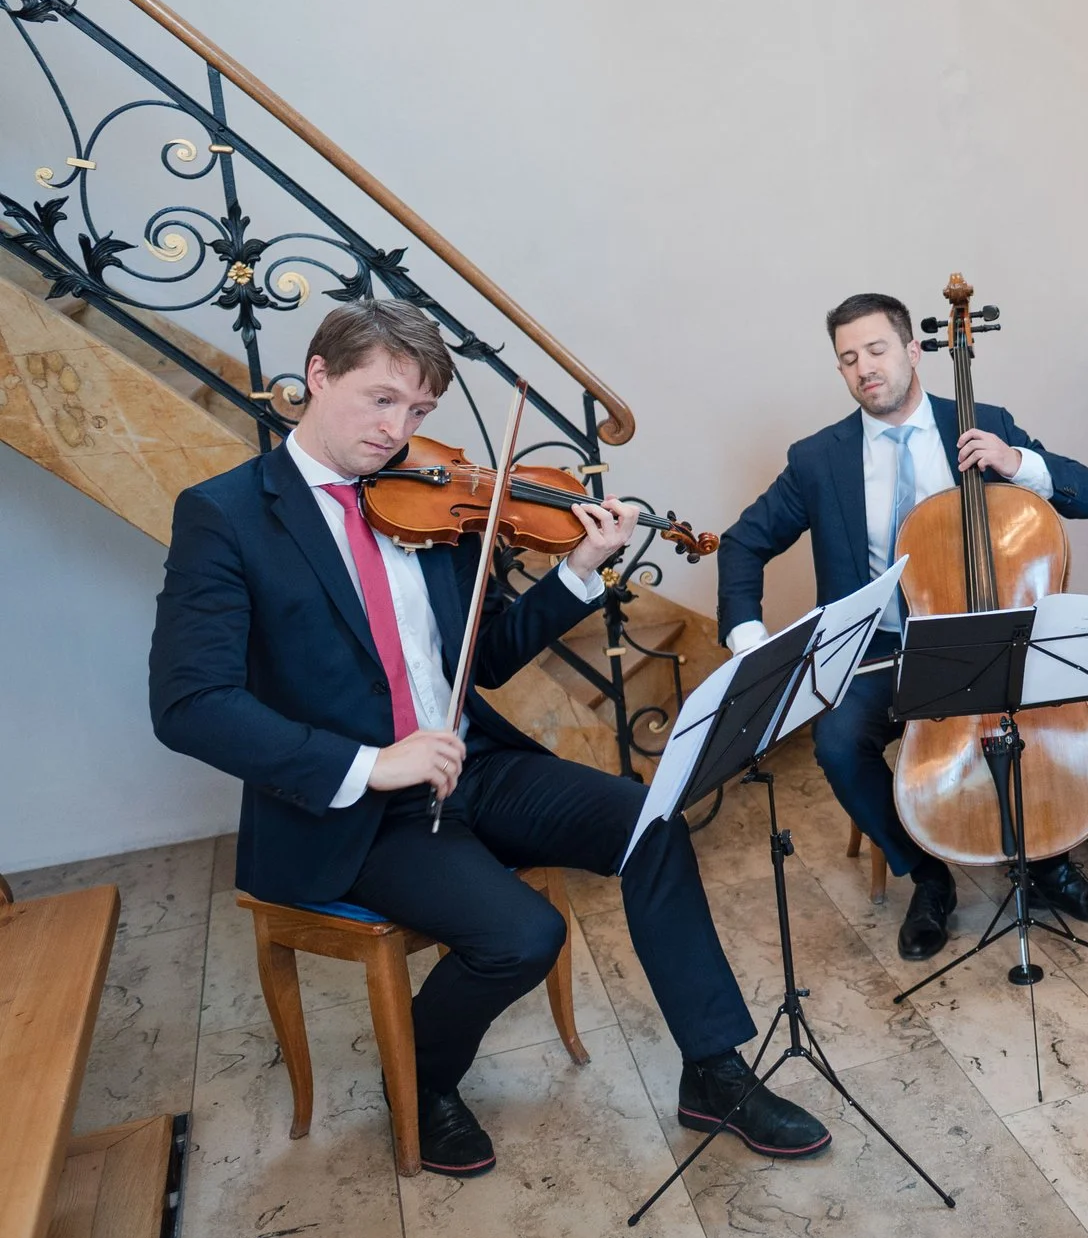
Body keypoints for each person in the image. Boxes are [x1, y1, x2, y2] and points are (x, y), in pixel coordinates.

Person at [150, 301, 828, 1177]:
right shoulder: (227, 515)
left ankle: (713, 1070)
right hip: (353, 810)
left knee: (652, 819)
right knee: (522, 934)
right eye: (381, 400)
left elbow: (490, 653)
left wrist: (577, 575)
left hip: (473, 764)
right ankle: (423, 1082)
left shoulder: (427, 500)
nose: (398, 431)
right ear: (317, 375)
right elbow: (189, 704)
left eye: (420, 412)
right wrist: (371, 762)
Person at [716, 292, 1088, 964]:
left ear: (914, 351)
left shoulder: (982, 424)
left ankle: (1049, 858)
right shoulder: (818, 459)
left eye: (877, 350)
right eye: (848, 359)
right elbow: (742, 542)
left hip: (996, 632)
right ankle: (927, 876)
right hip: (887, 650)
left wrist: (1017, 464)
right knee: (836, 741)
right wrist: (747, 639)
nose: (865, 369)